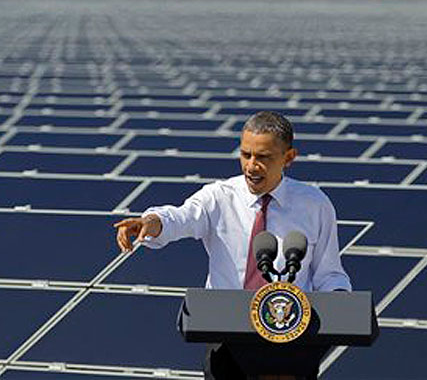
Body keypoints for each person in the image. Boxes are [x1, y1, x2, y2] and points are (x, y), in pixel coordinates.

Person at [113, 110, 351, 379]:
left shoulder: (315, 204)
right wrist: (152, 221)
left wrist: (340, 309)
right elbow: (181, 217)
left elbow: (329, 273)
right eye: (245, 154)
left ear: (289, 158)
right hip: (227, 341)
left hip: (293, 341)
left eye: (262, 157)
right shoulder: (220, 196)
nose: (251, 166)